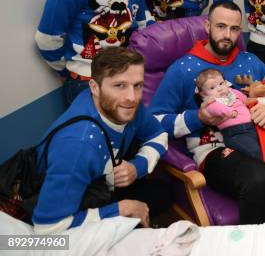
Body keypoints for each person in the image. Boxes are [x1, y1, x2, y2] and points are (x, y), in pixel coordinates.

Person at [150, 0, 265, 224]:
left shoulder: (251, 62)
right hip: (216, 148)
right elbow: (155, 122)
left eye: (235, 29)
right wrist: (198, 118)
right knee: (259, 179)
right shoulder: (182, 69)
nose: (227, 34)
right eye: (221, 26)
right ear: (207, 27)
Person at [32, 48, 170, 234]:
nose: (132, 97)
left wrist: (138, 166)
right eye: (119, 85)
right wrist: (120, 210)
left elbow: (158, 134)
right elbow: (46, 230)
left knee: (164, 193)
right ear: (94, 88)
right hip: (70, 205)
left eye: (137, 85)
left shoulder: (126, 106)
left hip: (101, 186)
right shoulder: (77, 145)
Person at [194, 68, 265, 173]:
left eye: (221, 83)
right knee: (254, 152)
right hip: (235, 133)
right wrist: (230, 112)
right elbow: (218, 110)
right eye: (212, 87)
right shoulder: (211, 102)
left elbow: (245, 101)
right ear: (204, 95)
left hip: (251, 127)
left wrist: (257, 99)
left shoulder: (233, 93)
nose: (219, 89)